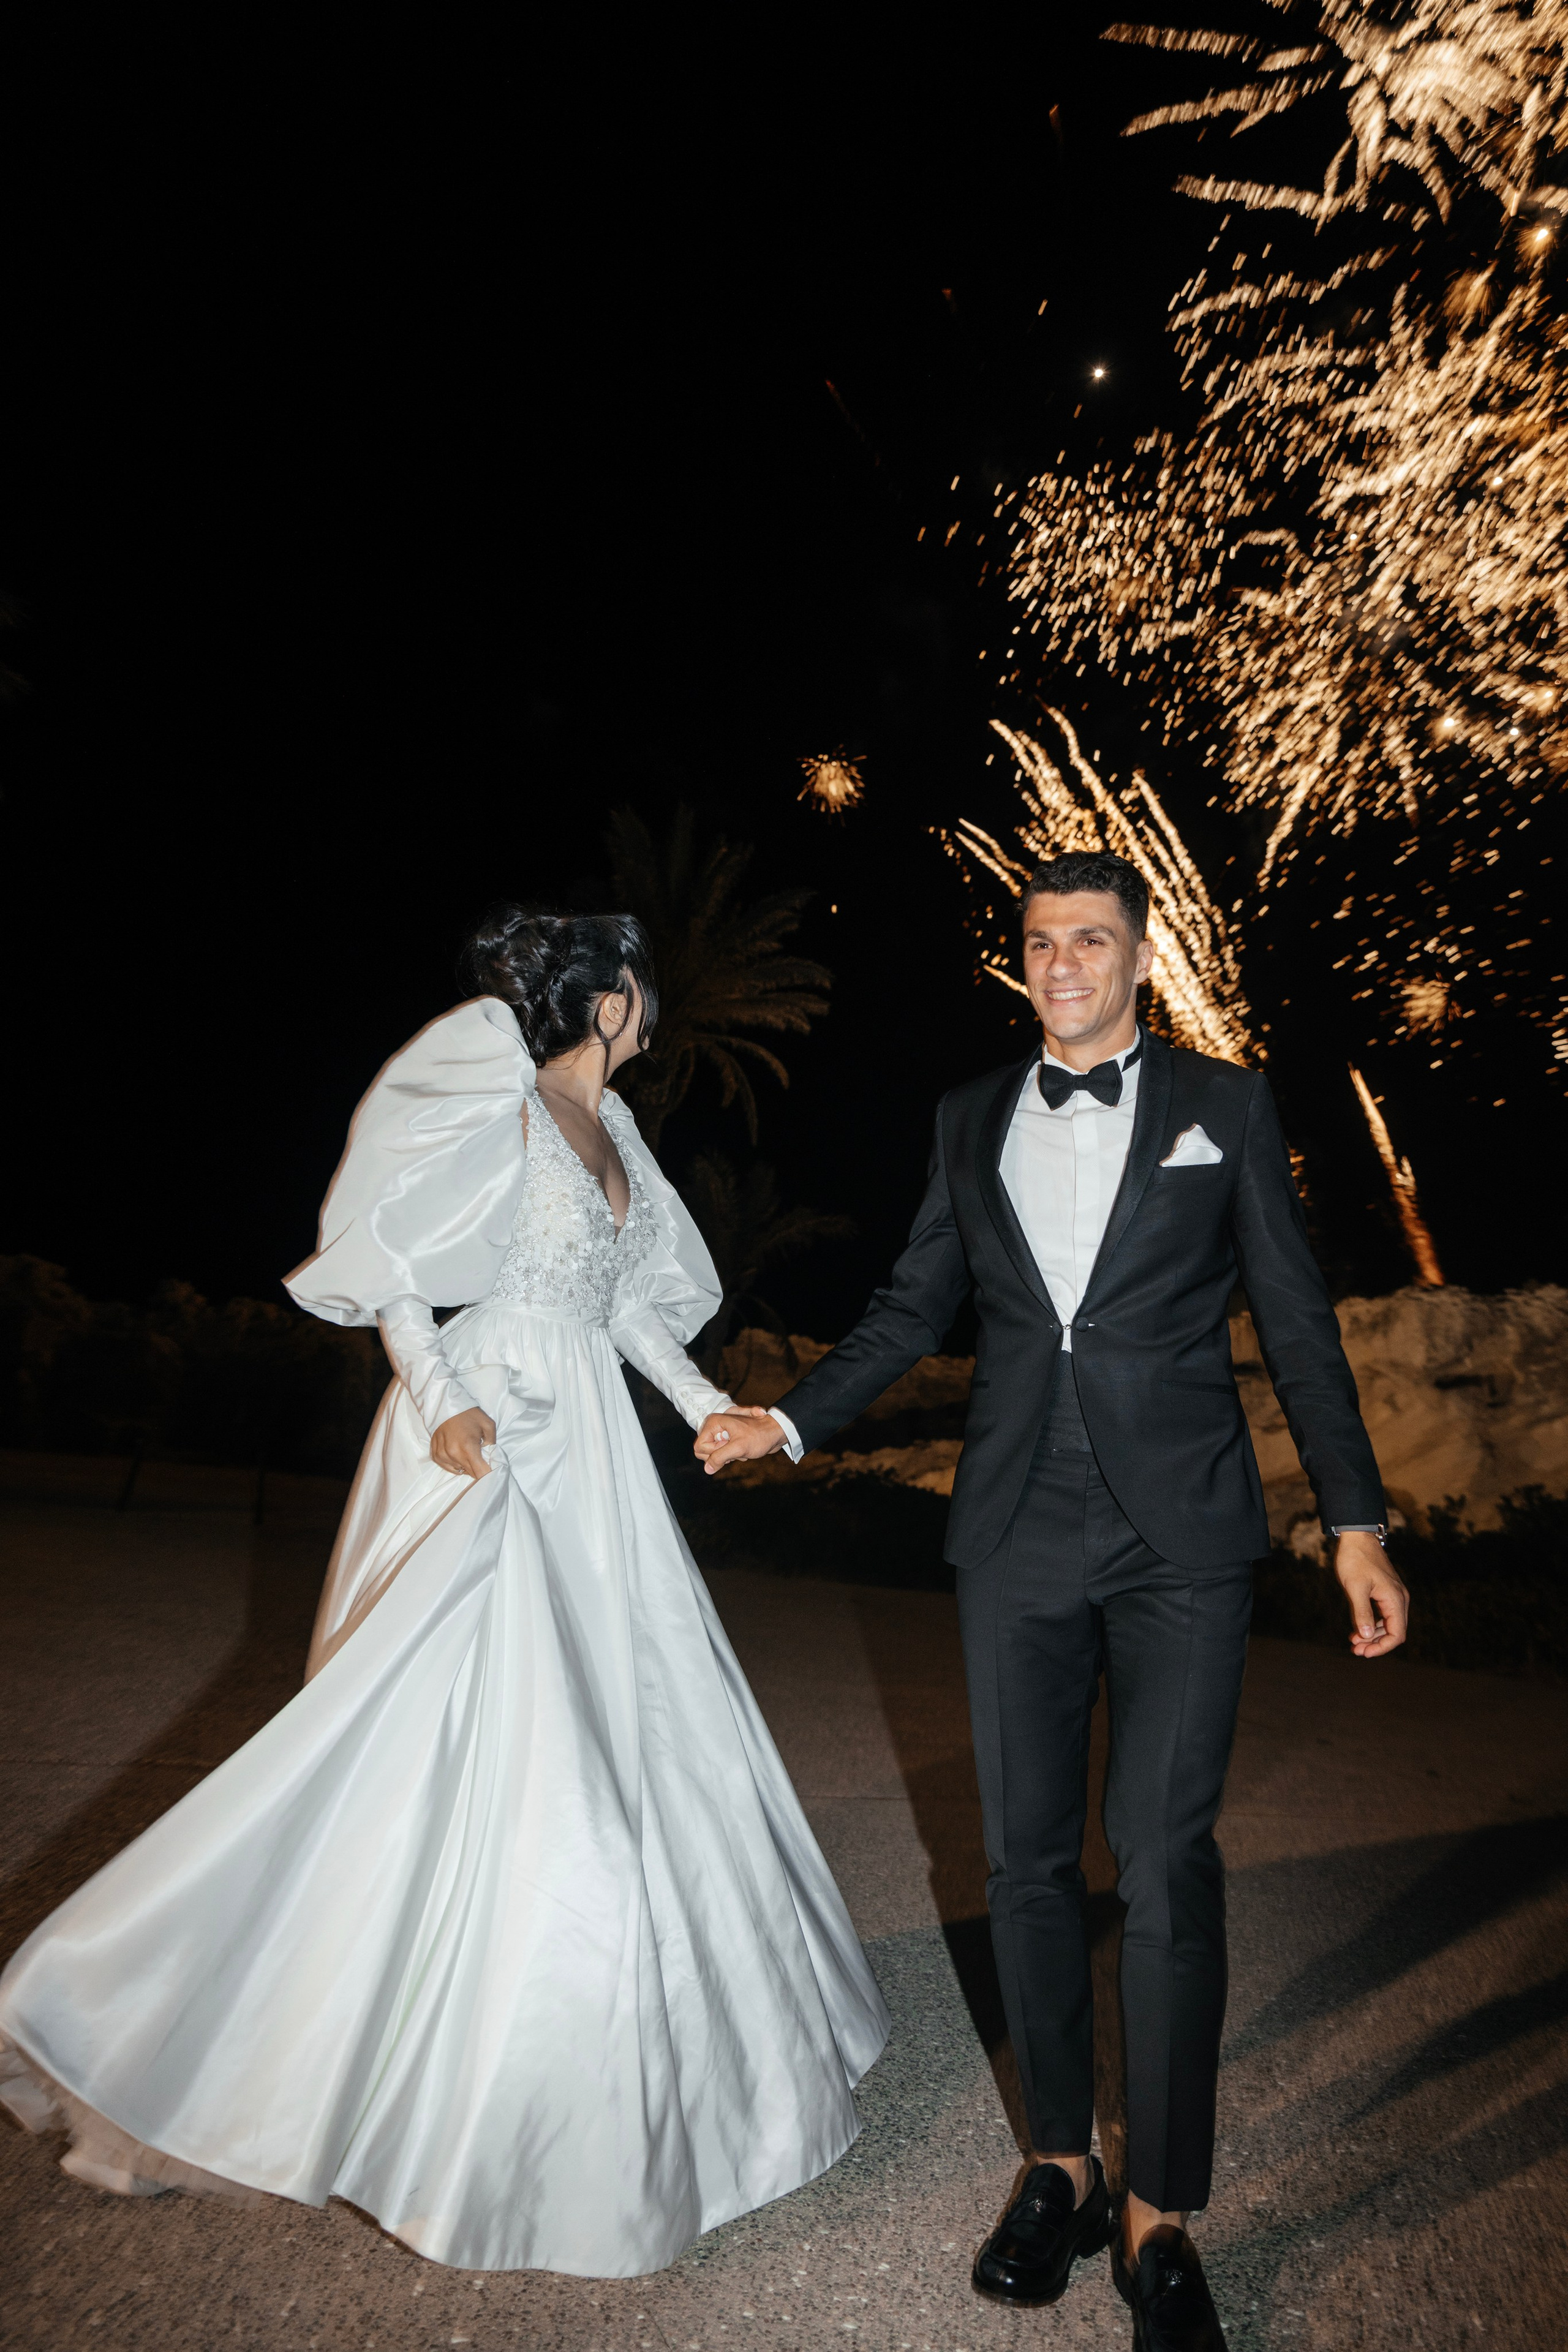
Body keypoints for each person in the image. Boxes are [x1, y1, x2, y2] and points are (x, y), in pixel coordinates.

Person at [0, 905, 889, 2277]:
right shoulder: (501, 1100)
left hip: (594, 1445)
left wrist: (707, 1406)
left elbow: (624, 1307)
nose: (652, 1008)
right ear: (611, 999)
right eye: (643, 988)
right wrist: (442, 1401)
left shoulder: (620, 1132)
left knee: (637, 1709)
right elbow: (401, 1269)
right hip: (495, 1429)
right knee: (483, 1712)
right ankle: (203, 2011)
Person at [695, 850, 1406, 2351]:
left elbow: (1293, 1319)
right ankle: (1059, 2167)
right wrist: (793, 1419)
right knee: (1023, 1861)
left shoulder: (1226, 1107)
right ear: (1017, 959)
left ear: (1138, 957)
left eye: (1089, 939)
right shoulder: (968, 1115)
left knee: (1162, 1859)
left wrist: (1353, 1522)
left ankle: (1159, 2215)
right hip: (1015, 1523)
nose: (1061, 963)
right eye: (1038, 941)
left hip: (1181, 1535)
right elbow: (911, 1303)